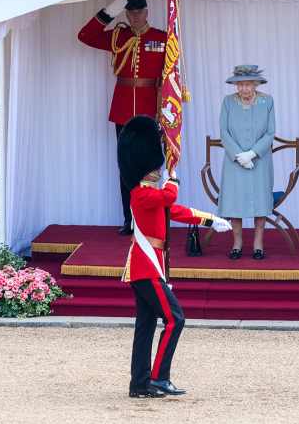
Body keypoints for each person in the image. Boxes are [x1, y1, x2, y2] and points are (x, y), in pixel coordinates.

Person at [118, 116, 232, 398]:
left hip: (148, 267)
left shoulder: (152, 195)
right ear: (147, 168)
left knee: (145, 326)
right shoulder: (139, 195)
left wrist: (210, 220)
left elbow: (176, 210)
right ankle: (159, 377)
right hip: (146, 267)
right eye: (156, 166)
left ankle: (140, 384)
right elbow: (169, 198)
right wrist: (174, 175)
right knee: (175, 319)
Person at [78, 0, 168, 236]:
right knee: (126, 167)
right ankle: (129, 220)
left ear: (147, 12)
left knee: (150, 167)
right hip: (124, 110)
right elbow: (85, 35)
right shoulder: (120, 36)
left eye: (138, 12)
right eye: (130, 12)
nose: (135, 16)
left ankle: (149, 220)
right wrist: (110, 10)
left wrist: (166, 113)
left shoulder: (161, 38)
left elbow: (169, 77)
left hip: (151, 110)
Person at [218, 65, 275, 260]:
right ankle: (237, 243)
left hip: (259, 161)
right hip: (234, 163)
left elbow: (270, 133)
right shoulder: (227, 102)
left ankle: (258, 244)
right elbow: (224, 133)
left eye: (248, 84)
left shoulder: (267, 102)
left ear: (256, 84)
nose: (244, 89)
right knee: (235, 202)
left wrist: (252, 154)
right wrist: (238, 156)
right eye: (240, 85)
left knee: (259, 201)